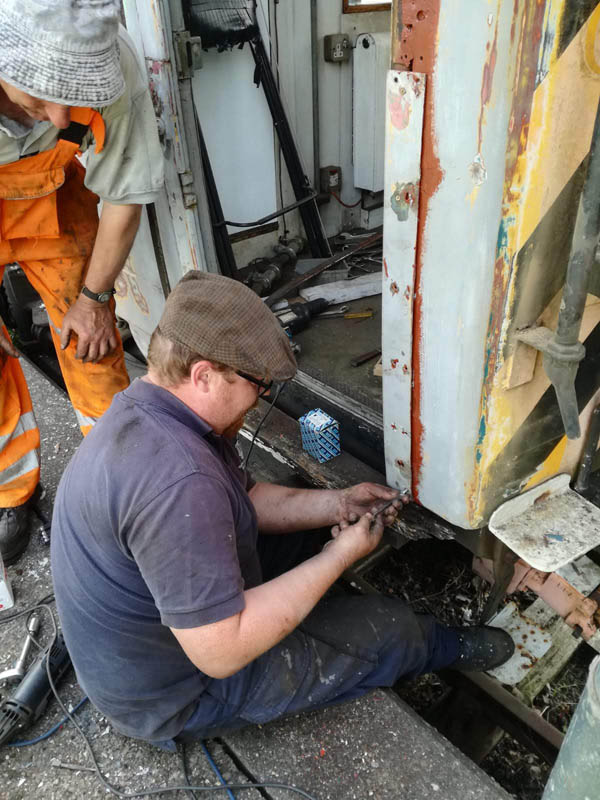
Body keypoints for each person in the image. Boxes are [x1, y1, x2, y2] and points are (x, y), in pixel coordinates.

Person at [51, 271, 514, 748]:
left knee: (309, 530)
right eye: (257, 384)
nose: (261, 397)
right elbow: (220, 652)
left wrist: (340, 502)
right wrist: (338, 557)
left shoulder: (149, 414)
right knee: (392, 629)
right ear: (203, 376)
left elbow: (246, 500)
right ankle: (444, 645)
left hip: (154, 642)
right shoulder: (181, 484)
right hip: (181, 691)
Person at [0, 0, 164, 563]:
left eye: (74, 96)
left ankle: (121, 488)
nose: (59, 117)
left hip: (53, 196)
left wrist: (94, 300)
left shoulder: (114, 63)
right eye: (39, 97)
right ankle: (11, 492)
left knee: (92, 345)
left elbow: (123, 195)